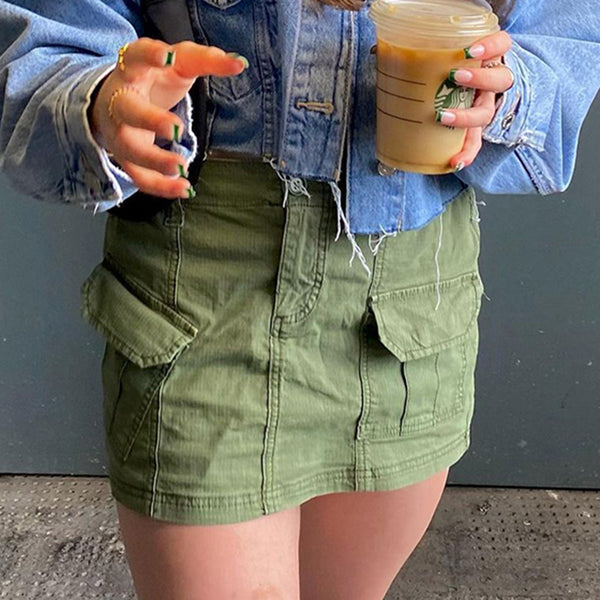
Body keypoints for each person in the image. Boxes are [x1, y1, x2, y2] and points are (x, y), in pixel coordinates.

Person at [1, 1, 598, 598]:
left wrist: (504, 94)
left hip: (407, 309)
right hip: (208, 294)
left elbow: (562, 44)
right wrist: (103, 103)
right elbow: (57, 44)